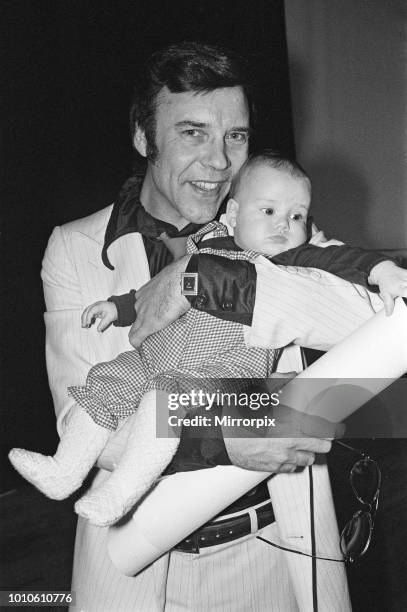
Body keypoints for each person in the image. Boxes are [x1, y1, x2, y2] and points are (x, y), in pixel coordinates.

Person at [31, 40, 402, 610]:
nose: (221, 162)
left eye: (237, 136)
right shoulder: (74, 247)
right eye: (192, 133)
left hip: (274, 548)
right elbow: (84, 422)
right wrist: (239, 429)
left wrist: (197, 277)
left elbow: (379, 320)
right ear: (142, 136)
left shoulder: (280, 225)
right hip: (133, 564)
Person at [10, 153, 407, 530]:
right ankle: (64, 471)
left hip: (226, 364)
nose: (283, 225)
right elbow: (156, 294)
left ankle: (120, 495)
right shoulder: (209, 238)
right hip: (161, 351)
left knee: (164, 402)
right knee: (108, 380)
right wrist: (120, 308)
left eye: (297, 216)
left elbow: (343, 261)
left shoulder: (293, 257)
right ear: (233, 214)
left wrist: (383, 270)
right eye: (268, 211)